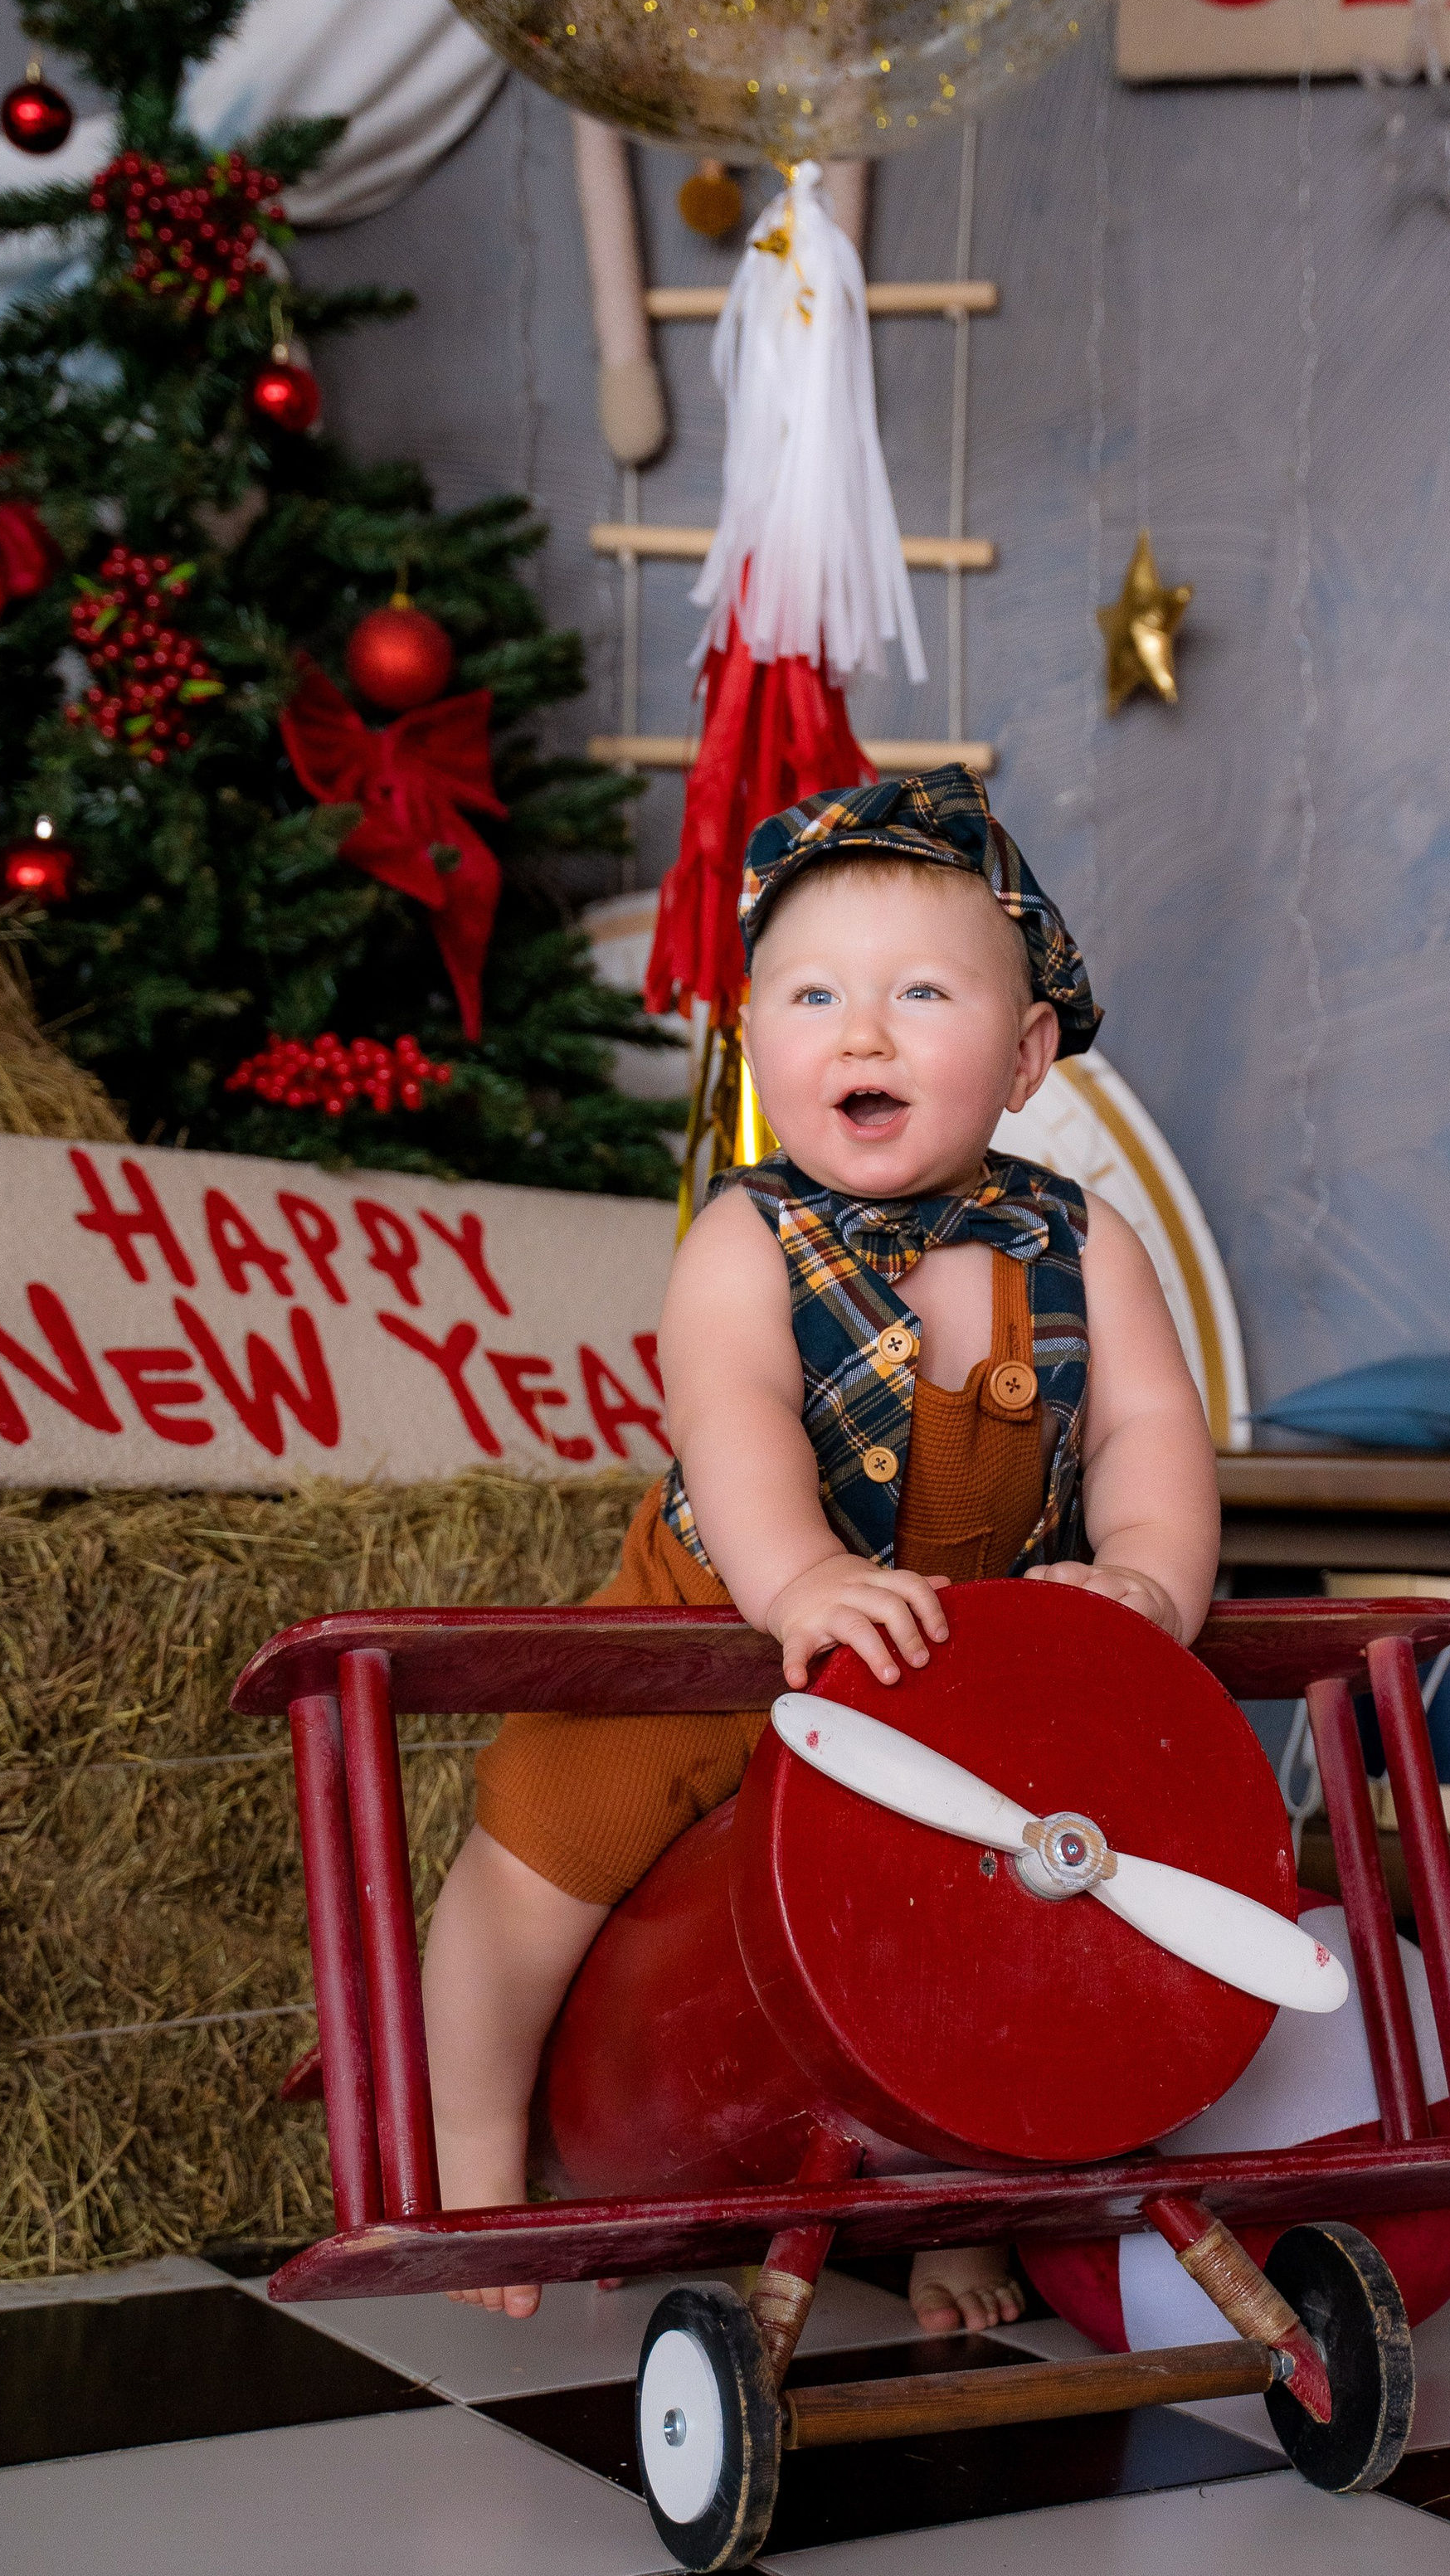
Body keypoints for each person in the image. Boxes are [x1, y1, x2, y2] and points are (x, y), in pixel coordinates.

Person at [421, 767, 1221, 2330]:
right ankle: (474, 2158)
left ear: (1027, 1052)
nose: (860, 1030)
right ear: (758, 1042)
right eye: (812, 996)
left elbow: (1148, 1430)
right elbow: (734, 1422)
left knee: (993, 1920)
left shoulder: (1082, 1240)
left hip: (962, 1664)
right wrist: (799, 1584)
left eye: (921, 992)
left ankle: (958, 2210)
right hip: (721, 1626)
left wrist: (1143, 1578)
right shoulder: (743, 1236)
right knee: (540, 1842)